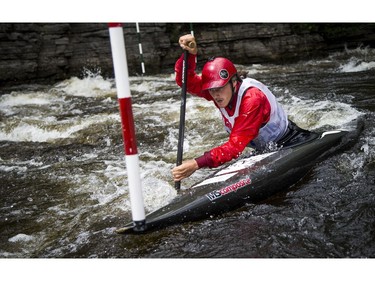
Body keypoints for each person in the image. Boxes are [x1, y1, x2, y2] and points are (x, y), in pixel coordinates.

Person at [172, 34, 316, 183]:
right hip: (264, 149)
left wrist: (197, 163)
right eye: (211, 89)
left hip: (290, 140)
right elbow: (186, 83)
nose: (215, 94)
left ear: (234, 82)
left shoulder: (252, 99)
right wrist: (189, 56)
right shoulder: (219, 92)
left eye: (220, 88)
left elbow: (235, 147)